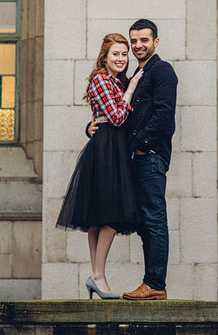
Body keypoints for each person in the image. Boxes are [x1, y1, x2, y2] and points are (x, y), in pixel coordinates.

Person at [87, 19, 178, 301]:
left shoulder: (162, 71)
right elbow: (115, 113)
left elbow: (164, 116)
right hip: (132, 158)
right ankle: (150, 282)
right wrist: (91, 127)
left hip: (149, 156)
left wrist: (140, 146)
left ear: (156, 42)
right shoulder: (132, 76)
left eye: (144, 41)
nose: (138, 46)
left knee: (153, 219)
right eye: (134, 41)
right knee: (143, 222)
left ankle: (154, 284)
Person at [56, 33, 143, 299]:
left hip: (110, 147)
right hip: (106, 150)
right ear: (104, 57)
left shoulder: (115, 81)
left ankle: (97, 276)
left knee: (99, 218)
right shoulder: (101, 80)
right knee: (112, 216)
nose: (121, 58)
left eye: (124, 54)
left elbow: (105, 117)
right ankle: (98, 276)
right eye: (116, 54)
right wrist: (131, 89)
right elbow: (117, 117)